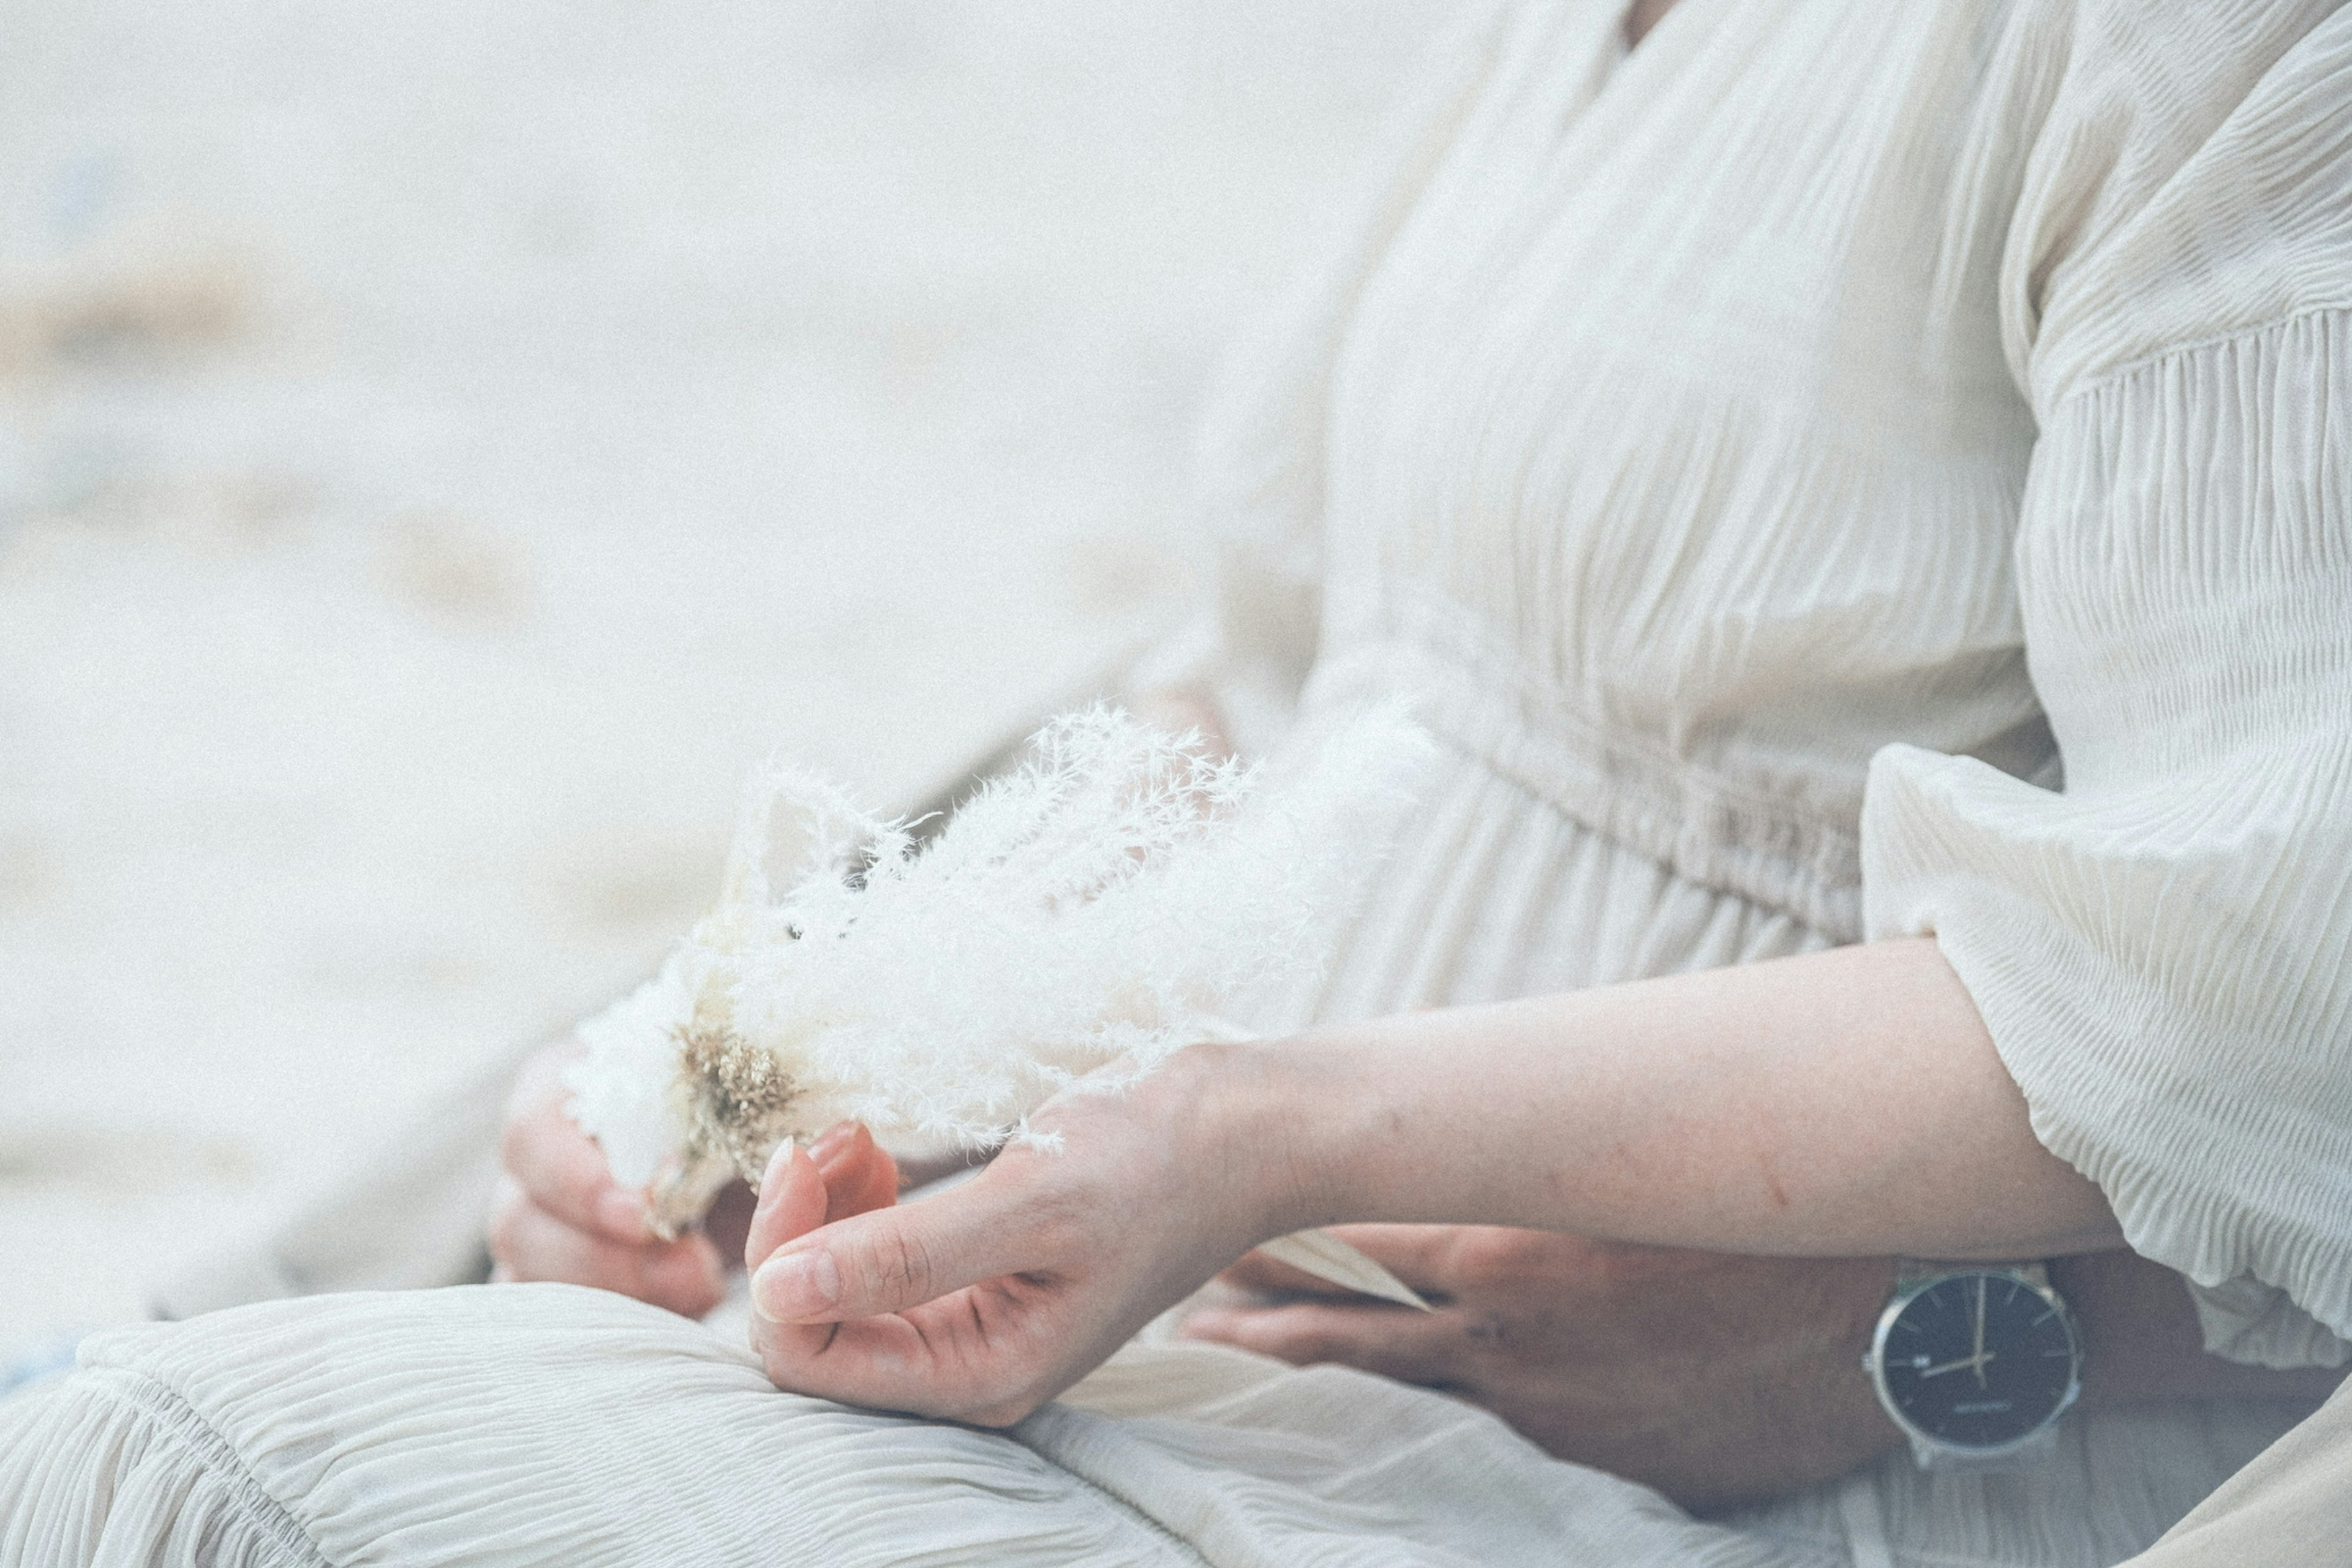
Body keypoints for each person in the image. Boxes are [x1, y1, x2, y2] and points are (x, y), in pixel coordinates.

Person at [4, 1, 2347, 1564]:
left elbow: (2260, 987)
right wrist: (800, 1103)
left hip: (1711, 1465)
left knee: (188, 1480)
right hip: (1211, 1322)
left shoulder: (2218, 55)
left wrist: (1275, 1135)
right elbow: (1280, 698)